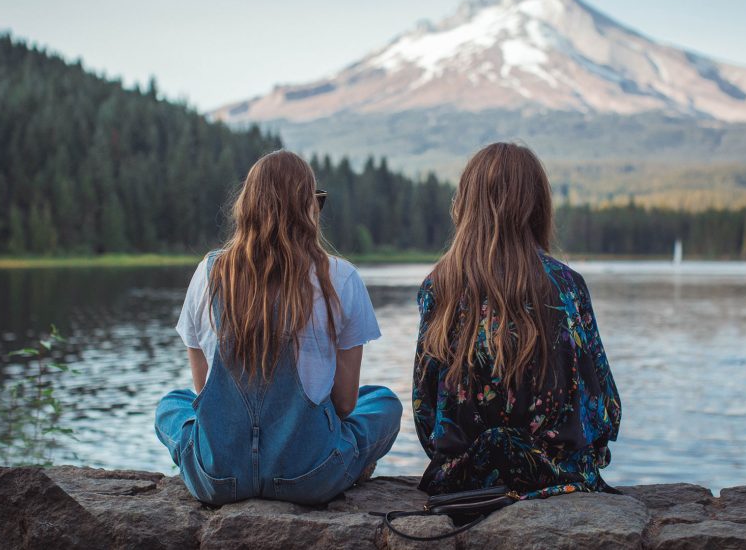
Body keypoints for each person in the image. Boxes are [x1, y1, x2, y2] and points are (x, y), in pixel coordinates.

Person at [155, 150, 401, 506]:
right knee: (383, 402)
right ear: (309, 209)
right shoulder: (341, 277)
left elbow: (203, 394)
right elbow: (346, 404)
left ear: (247, 206)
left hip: (219, 478)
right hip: (309, 478)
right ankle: (351, 461)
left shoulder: (209, 273)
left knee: (172, 404)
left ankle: (200, 461)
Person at [412, 142, 621, 498]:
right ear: (537, 207)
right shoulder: (568, 286)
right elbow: (606, 408)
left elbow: (424, 409)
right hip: (558, 476)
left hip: (465, 478)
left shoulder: (439, 286)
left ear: (466, 204)